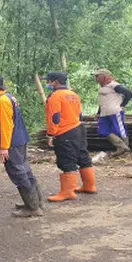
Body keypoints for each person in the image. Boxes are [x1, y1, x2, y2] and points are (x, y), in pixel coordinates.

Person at [0, 74, 43, 217]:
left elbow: (7, 125)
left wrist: (4, 147)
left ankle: (33, 208)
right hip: (19, 139)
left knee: (18, 173)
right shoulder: (8, 97)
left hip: (12, 143)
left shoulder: (2, 101)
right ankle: (35, 202)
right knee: (25, 171)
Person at [44, 72, 96, 201]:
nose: (47, 84)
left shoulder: (55, 96)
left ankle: (68, 192)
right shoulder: (74, 95)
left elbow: (54, 117)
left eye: (48, 81)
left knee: (66, 160)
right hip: (78, 128)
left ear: (55, 82)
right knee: (82, 156)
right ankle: (89, 186)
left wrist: (51, 134)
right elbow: (80, 115)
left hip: (64, 131)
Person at [93, 69, 132, 158]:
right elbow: (102, 102)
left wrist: (122, 104)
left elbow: (129, 93)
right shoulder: (102, 87)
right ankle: (122, 147)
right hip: (104, 113)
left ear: (104, 76)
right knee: (103, 130)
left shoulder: (114, 85)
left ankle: (124, 150)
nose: (95, 78)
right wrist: (98, 112)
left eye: (97, 76)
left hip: (115, 111)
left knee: (120, 130)